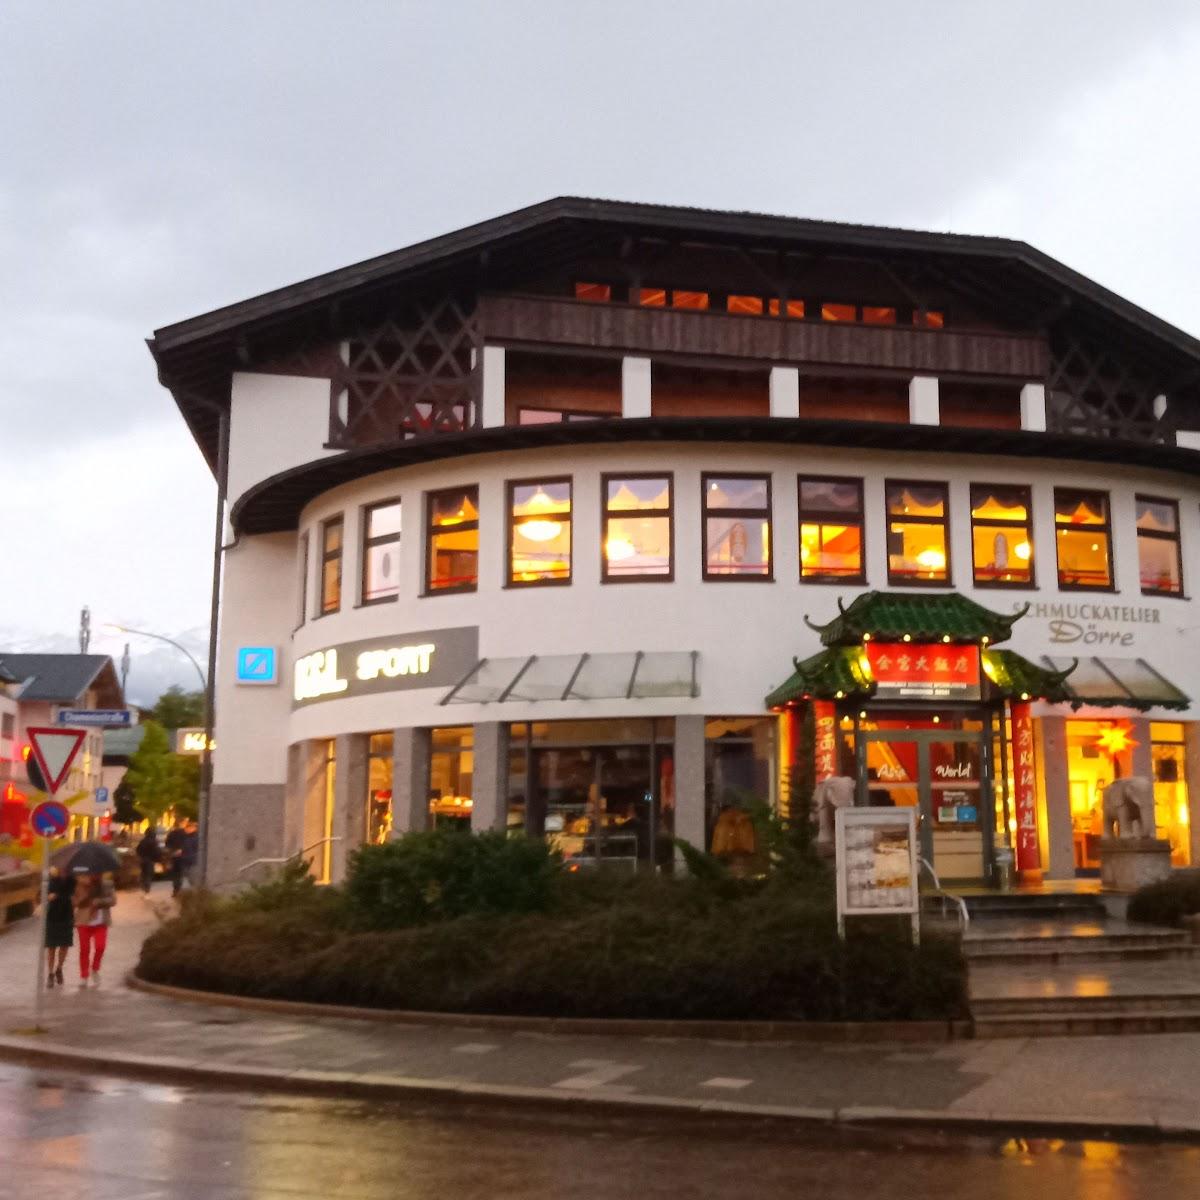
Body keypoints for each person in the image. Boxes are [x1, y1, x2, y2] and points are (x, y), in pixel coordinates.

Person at [73, 871, 116, 988]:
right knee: (84, 950)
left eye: (98, 873)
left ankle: (95, 969)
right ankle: (84, 976)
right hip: (84, 922)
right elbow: (75, 902)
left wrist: (99, 901)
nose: (96, 876)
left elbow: (113, 901)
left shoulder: (107, 884)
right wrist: (86, 894)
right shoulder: (80, 885)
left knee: (100, 947)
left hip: (100, 922)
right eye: (93, 874)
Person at [43, 866, 75, 988]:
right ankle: (50, 974)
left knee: (64, 945)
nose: (63, 870)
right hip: (52, 916)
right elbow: (43, 895)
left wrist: (59, 896)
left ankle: (59, 969)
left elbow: (74, 896)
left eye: (65, 869)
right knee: (51, 947)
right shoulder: (51, 880)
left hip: (67, 916)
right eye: (61, 868)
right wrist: (48, 897)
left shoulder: (72, 881)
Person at [164, 820, 187, 896]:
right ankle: (178, 889)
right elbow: (186, 844)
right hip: (182, 856)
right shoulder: (184, 833)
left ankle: (175, 889)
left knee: (175, 873)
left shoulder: (171, 833)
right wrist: (181, 849)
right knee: (180, 873)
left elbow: (167, 844)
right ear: (180, 824)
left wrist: (172, 851)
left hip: (173, 855)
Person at [135, 827, 160, 893]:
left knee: (144, 873)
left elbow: (138, 850)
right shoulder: (154, 842)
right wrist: (157, 859)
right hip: (150, 860)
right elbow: (157, 851)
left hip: (143, 859)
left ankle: (143, 885)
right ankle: (147, 888)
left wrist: (140, 856)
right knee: (149, 874)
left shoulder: (143, 841)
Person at [179, 819, 200, 891]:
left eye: (188, 828)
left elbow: (196, 850)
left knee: (192, 878)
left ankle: (195, 891)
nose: (186, 829)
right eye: (186, 828)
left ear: (193, 828)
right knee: (189, 878)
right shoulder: (186, 837)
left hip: (193, 861)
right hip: (186, 860)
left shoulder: (196, 838)